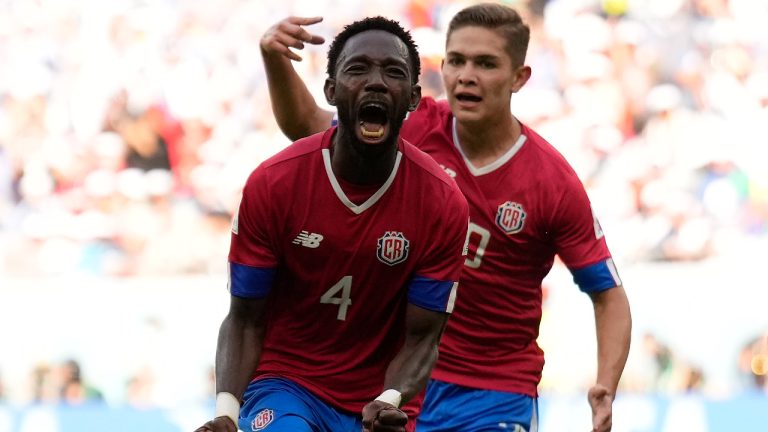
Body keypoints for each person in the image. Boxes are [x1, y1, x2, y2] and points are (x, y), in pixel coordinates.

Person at [259, 4, 632, 432]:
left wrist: (606, 383)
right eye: (456, 60)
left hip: (493, 393)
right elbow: (309, 127)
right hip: (401, 377)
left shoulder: (551, 181)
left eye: (485, 63)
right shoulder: (414, 128)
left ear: (519, 78)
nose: (465, 75)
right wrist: (274, 58)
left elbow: (608, 293)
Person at [195, 16, 469, 432]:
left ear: (413, 98)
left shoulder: (442, 202)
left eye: (393, 72)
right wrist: (227, 413)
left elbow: (423, 338)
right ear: (330, 90)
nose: (376, 82)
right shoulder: (274, 184)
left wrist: (389, 399)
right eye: (357, 69)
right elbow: (245, 319)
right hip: (286, 383)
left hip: (378, 405)